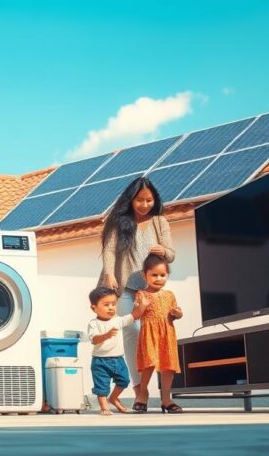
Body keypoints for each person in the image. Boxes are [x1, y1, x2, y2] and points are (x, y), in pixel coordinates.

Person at [98, 175, 175, 400]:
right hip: (126, 288)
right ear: (131, 200)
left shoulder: (160, 222)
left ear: (155, 200)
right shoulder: (120, 222)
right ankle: (139, 387)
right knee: (132, 331)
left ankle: (164, 393)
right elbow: (110, 251)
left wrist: (162, 250)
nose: (144, 205)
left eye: (149, 200)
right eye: (140, 200)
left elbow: (171, 254)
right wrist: (110, 274)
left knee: (156, 335)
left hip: (152, 292)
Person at [131, 254, 183, 413]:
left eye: (162, 275)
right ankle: (142, 394)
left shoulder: (169, 295)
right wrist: (142, 307)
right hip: (149, 334)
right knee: (149, 363)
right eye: (154, 275)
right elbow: (135, 315)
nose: (159, 278)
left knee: (169, 366)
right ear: (144, 275)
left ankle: (166, 399)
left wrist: (177, 313)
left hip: (167, 334)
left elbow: (176, 314)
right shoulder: (141, 294)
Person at [86, 286, 140, 415]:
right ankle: (104, 407)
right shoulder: (94, 323)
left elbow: (134, 315)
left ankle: (114, 398)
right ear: (94, 308)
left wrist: (140, 305)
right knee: (102, 386)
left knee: (124, 381)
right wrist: (106, 335)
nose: (111, 307)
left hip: (118, 359)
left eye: (114, 304)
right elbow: (94, 340)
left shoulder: (118, 320)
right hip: (100, 361)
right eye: (106, 305)